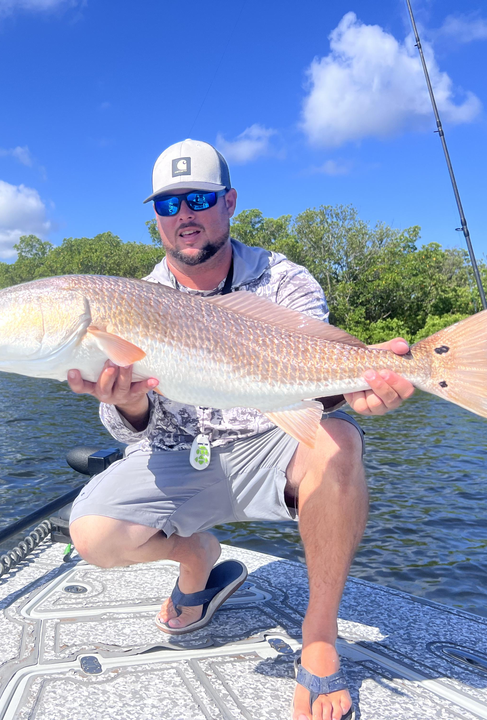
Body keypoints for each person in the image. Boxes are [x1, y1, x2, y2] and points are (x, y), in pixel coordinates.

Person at [66, 139, 413, 720]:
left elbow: (313, 376)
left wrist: (362, 385)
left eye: (198, 199)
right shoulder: (135, 298)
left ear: (228, 202)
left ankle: (320, 638)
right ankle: (197, 556)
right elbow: (128, 432)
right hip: (180, 457)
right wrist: (126, 405)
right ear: (155, 218)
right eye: (168, 205)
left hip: (270, 449)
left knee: (341, 438)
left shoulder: (284, 279)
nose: (185, 217)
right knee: (91, 535)